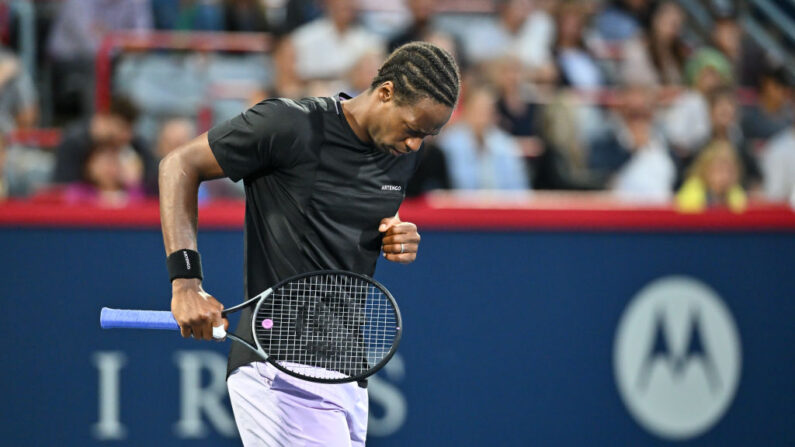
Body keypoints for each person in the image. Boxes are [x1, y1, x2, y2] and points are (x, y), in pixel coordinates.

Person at [158, 42, 460, 445]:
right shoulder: (289, 125)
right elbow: (178, 164)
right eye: (412, 129)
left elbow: (337, 214)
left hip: (348, 374)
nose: (414, 146)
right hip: (281, 368)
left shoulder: (400, 154)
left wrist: (394, 233)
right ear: (385, 92)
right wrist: (186, 284)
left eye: (428, 135)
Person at [676, 139, 747, 212]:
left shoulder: (736, 193)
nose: (725, 176)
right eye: (719, 170)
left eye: (729, 171)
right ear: (704, 169)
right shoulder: (692, 190)